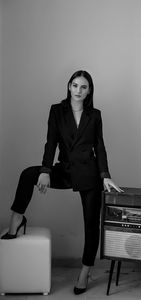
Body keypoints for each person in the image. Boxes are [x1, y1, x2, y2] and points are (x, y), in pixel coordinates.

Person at [1, 70, 123, 294]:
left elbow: (100, 146)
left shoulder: (94, 115)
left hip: (89, 173)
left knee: (90, 224)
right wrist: (46, 170)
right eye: (75, 85)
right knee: (29, 174)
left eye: (84, 87)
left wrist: (105, 175)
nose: (79, 90)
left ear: (89, 91)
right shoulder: (57, 110)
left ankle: (85, 271)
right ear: (68, 86)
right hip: (65, 169)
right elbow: (51, 142)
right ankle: (17, 219)